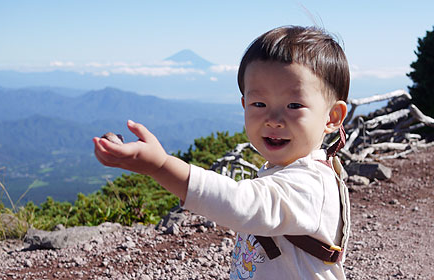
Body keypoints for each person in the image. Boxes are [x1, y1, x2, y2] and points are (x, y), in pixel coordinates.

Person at [93, 25, 351, 279]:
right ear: (244, 105)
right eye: (258, 103)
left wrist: (160, 166)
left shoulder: (310, 185)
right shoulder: (288, 170)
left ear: (332, 117)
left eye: (294, 105)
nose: (273, 119)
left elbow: (242, 205)